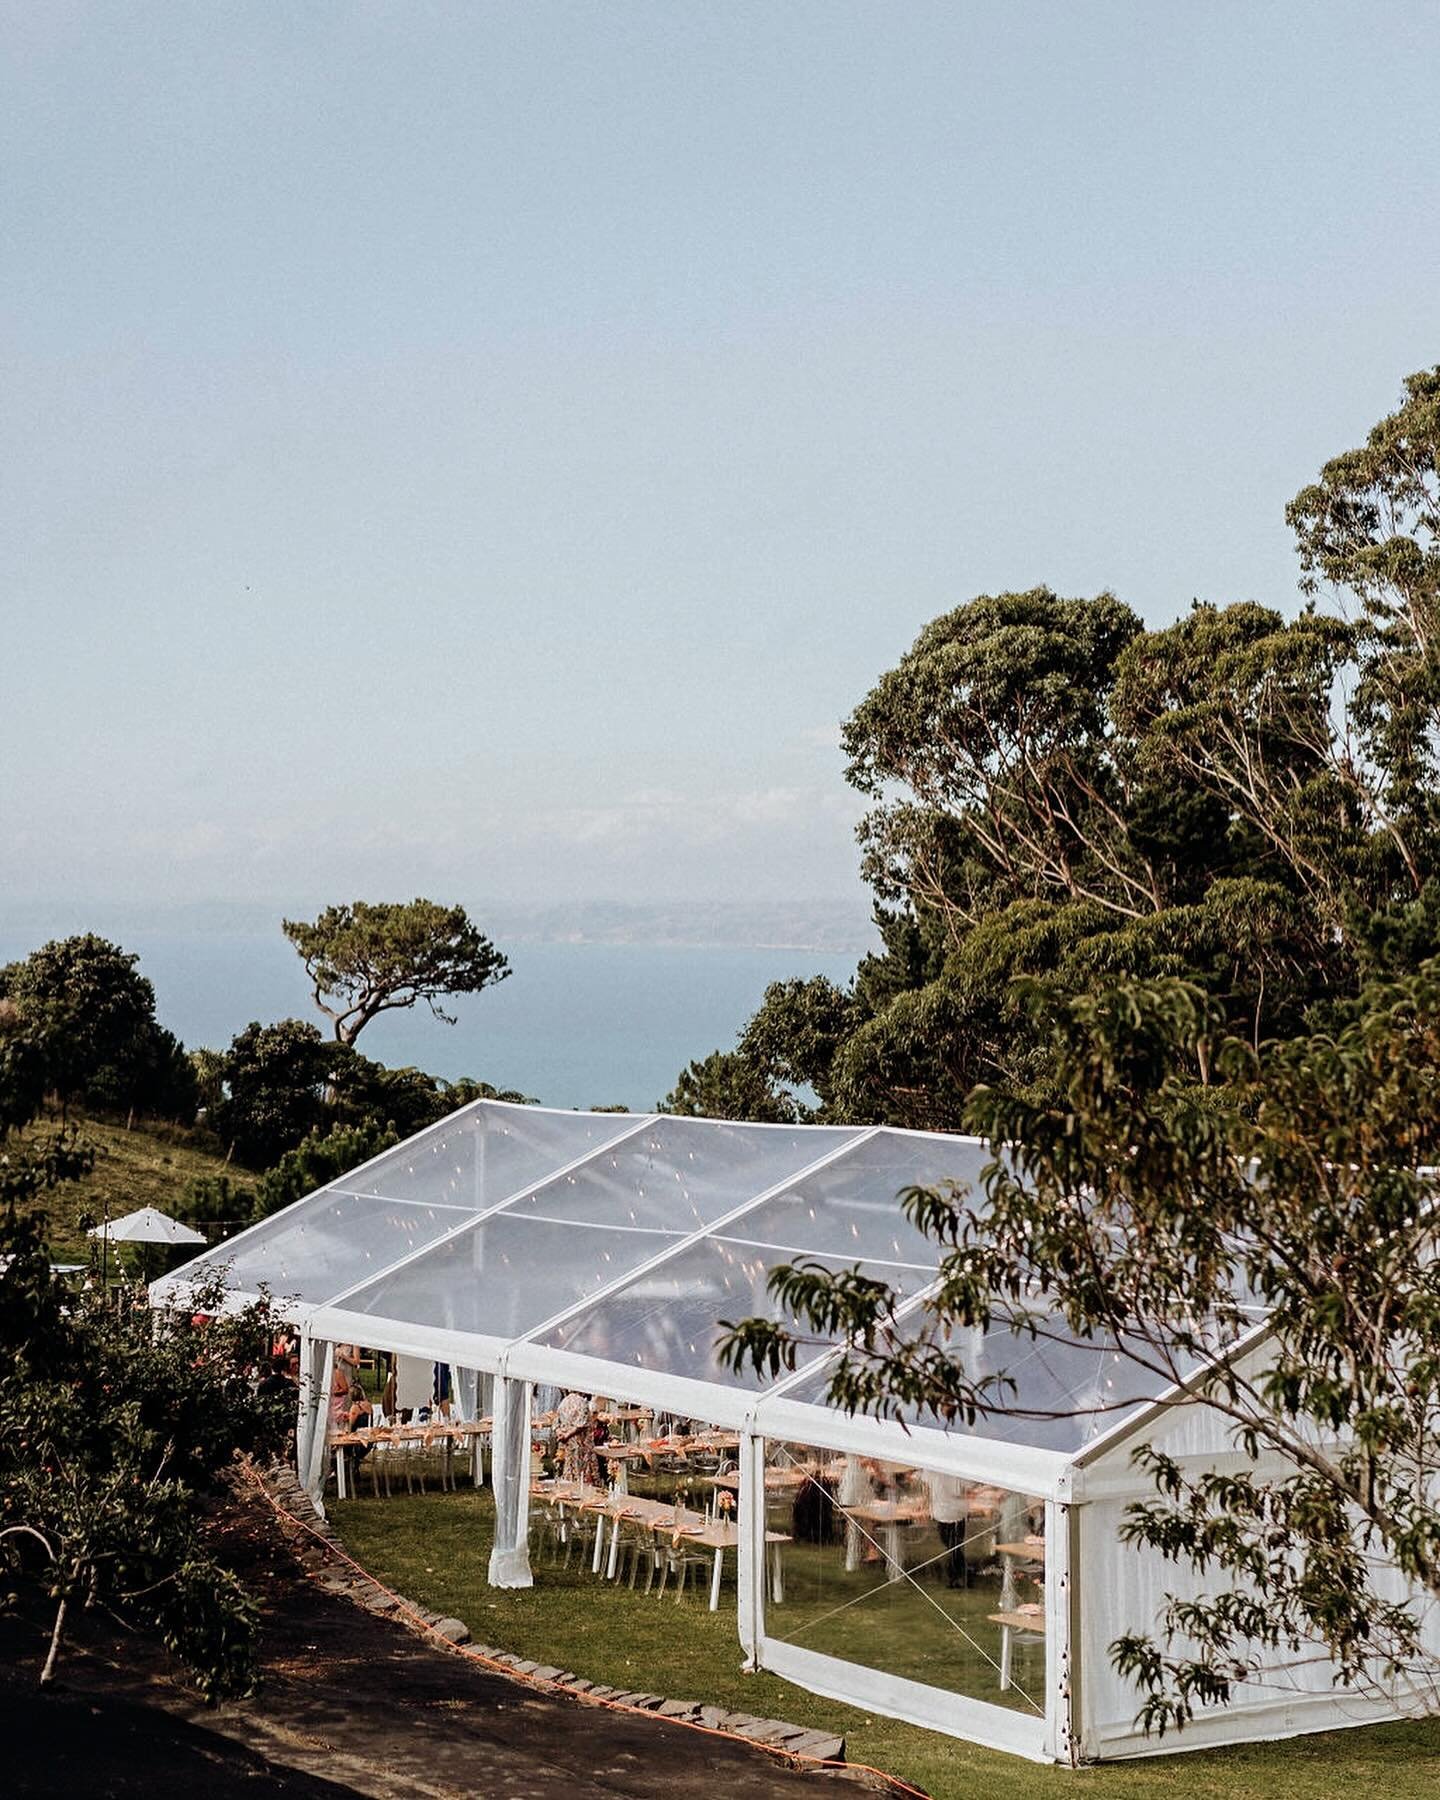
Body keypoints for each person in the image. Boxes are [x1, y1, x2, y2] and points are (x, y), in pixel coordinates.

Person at [922, 1470, 971, 1588]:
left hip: (947, 1510)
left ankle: (958, 1575)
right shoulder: (954, 1465)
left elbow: (925, 1486)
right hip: (954, 1509)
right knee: (955, 1544)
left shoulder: (930, 1466)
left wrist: (925, 1503)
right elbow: (966, 1488)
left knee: (952, 1544)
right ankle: (961, 1572)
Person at [555, 1390, 600, 1487]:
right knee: (582, 1468)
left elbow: (556, 1424)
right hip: (580, 1442)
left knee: (569, 1466)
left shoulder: (563, 1402)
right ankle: (583, 1489)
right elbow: (582, 1425)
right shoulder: (582, 1402)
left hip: (566, 1442)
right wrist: (567, 1435)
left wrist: (561, 1435)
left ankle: (569, 1486)